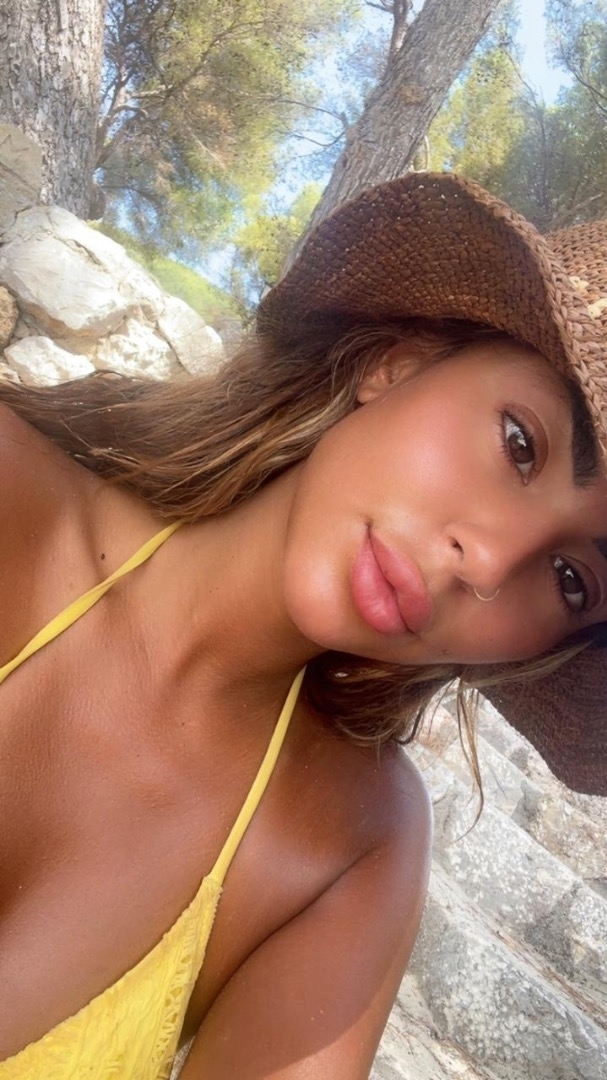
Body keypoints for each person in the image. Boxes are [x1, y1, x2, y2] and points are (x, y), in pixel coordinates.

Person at [0, 171, 606, 1080]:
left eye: (571, 579)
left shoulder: (353, 850)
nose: (486, 563)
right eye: (520, 444)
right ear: (395, 362)